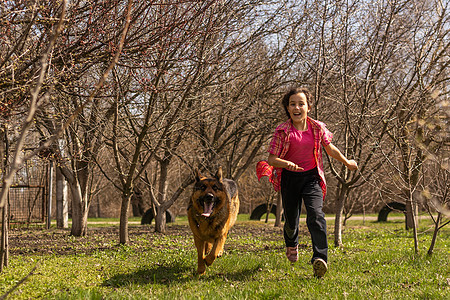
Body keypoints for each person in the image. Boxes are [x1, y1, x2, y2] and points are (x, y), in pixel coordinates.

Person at [256, 87, 358, 278]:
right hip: (289, 178)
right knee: (291, 221)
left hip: (312, 177)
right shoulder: (282, 130)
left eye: (301, 104)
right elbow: (271, 159)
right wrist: (287, 164)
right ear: (287, 108)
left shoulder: (317, 128)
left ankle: (320, 258)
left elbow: (330, 149)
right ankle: (291, 243)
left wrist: (346, 162)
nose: (297, 107)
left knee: (316, 215)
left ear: (308, 107)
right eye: (292, 104)